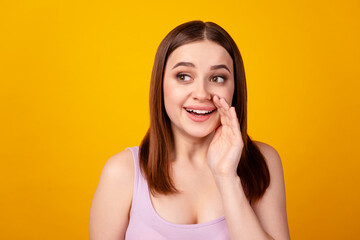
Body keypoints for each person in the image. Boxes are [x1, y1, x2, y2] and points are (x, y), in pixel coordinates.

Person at [89, 20, 290, 240]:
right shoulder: (121, 172)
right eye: (183, 76)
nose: (202, 93)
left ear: (235, 88)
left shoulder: (263, 160)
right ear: (161, 84)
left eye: (217, 78)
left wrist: (227, 178)